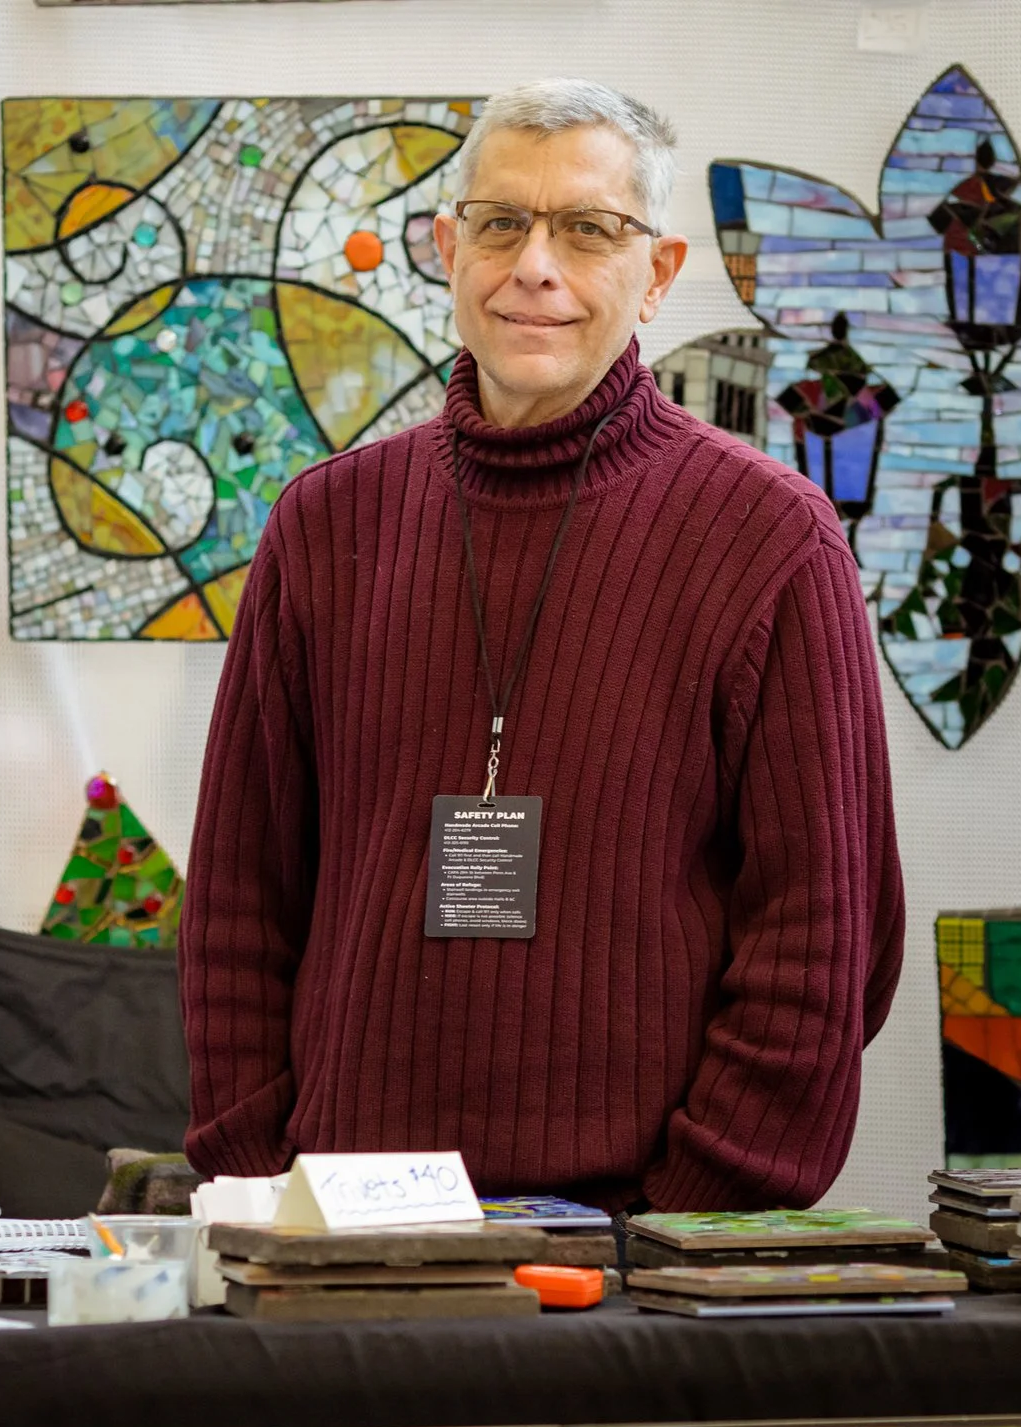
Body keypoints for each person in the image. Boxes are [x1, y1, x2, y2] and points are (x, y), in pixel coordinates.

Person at [180, 79, 902, 1210]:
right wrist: (257, 1180)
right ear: (446, 246)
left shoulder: (767, 538)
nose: (535, 266)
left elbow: (823, 931)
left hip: (637, 1243)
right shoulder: (324, 525)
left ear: (656, 274)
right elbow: (239, 894)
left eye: (589, 229)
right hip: (339, 1227)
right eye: (501, 222)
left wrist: (690, 1218)